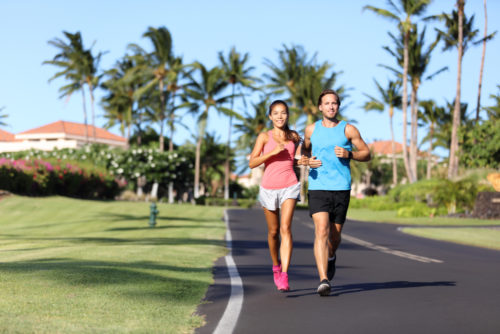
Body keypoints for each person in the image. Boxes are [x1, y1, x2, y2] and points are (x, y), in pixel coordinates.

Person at [301, 89, 371, 296]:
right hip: (317, 186)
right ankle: (323, 280)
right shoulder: (311, 130)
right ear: (320, 107)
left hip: (341, 188)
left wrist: (350, 154)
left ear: (338, 106)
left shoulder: (348, 129)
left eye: (334, 103)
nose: (331, 106)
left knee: (335, 236)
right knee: (321, 230)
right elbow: (303, 152)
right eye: (327, 103)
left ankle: (331, 256)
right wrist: (306, 161)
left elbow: (367, 154)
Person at [249, 100, 304, 292]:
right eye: (276, 113)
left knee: (285, 228)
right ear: (270, 116)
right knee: (273, 232)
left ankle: (285, 274)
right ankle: (276, 266)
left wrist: (302, 160)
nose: (280, 116)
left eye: (283, 113)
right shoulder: (264, 137)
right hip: (268, 187)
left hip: (290, 184)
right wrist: (272, 152)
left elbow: (293, 160)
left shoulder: (294, 136)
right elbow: (252, 163)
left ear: (288, 115)